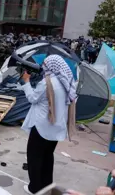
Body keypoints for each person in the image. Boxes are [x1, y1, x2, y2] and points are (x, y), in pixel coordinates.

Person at [21, 54, 77, 195]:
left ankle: (34, 188)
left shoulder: (47, 82)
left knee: (34, 157)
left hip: (41, 127)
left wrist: (26, 82)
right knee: (47, 156)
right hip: (57, 128)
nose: (43, 67)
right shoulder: (67, 82)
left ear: (51, 66)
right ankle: (47, 184)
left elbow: (32, 98)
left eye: (45, 65)